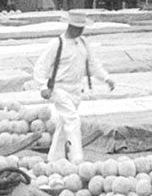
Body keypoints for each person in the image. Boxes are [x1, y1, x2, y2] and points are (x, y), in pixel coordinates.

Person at [33, 12, 115, 167]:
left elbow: (93, 64)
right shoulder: (57, 44)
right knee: (73, 120)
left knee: (64, 124)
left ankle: (54, 158)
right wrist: (43, 86)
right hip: (60, 88)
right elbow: (40, 67)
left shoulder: (83, 43)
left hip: (76, 89)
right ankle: (77, 159)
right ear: (71, 26)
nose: (81, 31)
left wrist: (106, 78)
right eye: (78, 28)